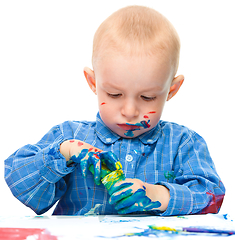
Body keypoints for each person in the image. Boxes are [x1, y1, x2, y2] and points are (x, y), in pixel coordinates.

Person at [4, 5, 225, 216]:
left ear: (171, 90)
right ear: (93, 82)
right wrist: (64, 152)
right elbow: (20, 184)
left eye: (147, 97)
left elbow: (212, 197)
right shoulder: (69, 136)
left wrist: (159, 195)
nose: (130, 111)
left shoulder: (183, 143)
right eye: (114, 94)